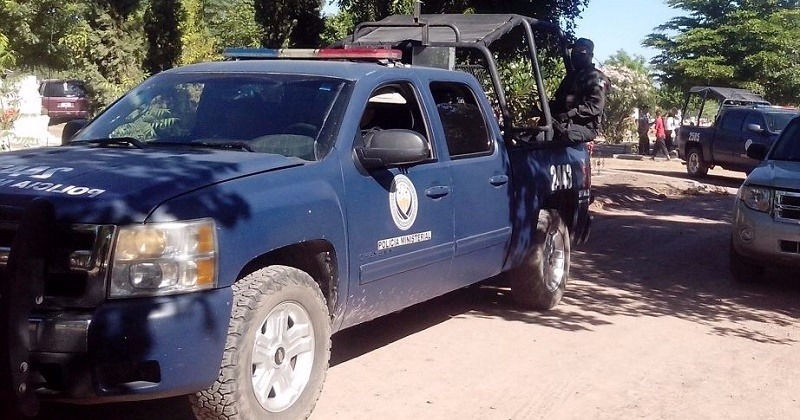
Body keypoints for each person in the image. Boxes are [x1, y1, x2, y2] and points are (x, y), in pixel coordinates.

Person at [549, 38, 610, 142]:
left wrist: (568, 115)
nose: (576, 55)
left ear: (590, 55)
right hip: (563, 123)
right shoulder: (571, 77)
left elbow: (595, 106)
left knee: (546, 137)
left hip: (585, 127)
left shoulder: (596, 77)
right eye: (574, 51)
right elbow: (559, 100)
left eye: (581, 52)